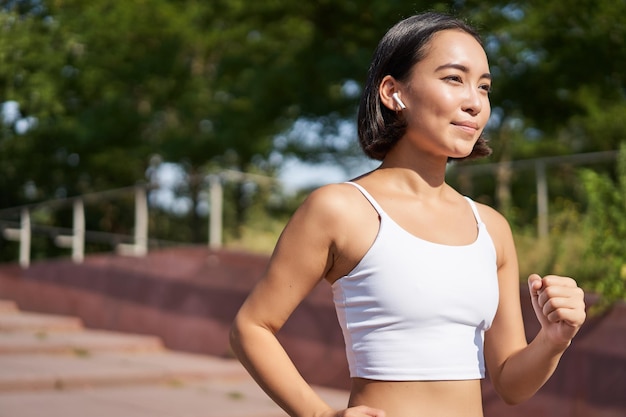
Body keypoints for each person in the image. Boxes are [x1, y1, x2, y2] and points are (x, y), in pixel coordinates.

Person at [229, 11, 586, 417]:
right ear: (393, 92)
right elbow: (251, 327)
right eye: (454, 78)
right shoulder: (340, 208)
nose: (474, 102)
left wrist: (554, 339)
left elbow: (509, 383)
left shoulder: (492, 228)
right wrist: (321, 415)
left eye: (484, 87)